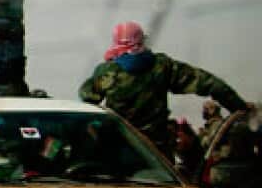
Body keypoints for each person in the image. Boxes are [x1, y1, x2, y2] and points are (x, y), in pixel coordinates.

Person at [79, 21, 249, 157]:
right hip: (158, 155)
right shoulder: (162, 66)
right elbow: (210, 83)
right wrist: (239, 107)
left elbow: (86, 96)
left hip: (122, 151)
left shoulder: (106, 72)